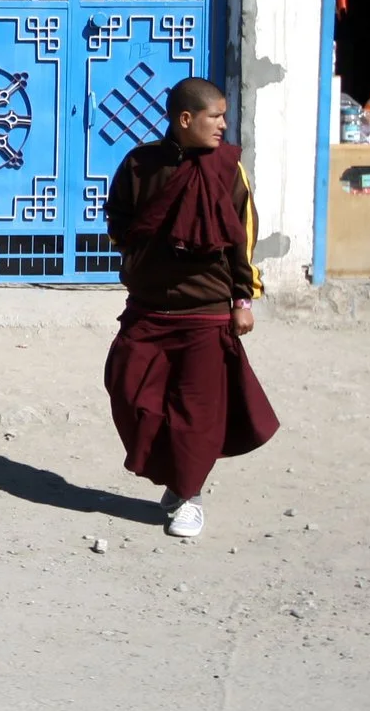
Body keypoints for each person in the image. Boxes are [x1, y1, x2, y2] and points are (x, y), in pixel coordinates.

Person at [102, 76, 280, 538]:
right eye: (215, 117)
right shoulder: (141, 164)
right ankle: (176, 480)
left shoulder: (226, 168)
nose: (223, 125)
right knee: (128, 389)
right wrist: (136, 256)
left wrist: (243, 298)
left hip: (206, 310)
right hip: (149, 306)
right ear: (186, 120)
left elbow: (243, 238)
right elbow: (117, 215)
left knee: (195, 411)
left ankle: (189, 496)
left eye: (224, 116)